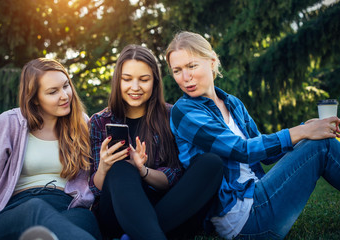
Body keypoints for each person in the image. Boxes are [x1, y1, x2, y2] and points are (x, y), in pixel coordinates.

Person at [165, 31, 340, 240]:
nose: (185, 78)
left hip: (260, 197)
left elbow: (265, 154)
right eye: (177, 70)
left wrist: (306, 129)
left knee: (318, 141)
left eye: (191, 66)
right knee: (322, 146)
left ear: (212, 61)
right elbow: (242, 150)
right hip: (244, 220)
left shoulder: (232, 103)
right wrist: (301, 131)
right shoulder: (184, 111)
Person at [89, 44, 224, 240]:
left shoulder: (172, 115)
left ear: (154, 82)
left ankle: (140, 234)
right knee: (122, 169)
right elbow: (95, 190)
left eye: (144, 80)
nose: (135, 87)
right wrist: (104, 166)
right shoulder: (99, 122)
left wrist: (143, 170)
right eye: (127, 79)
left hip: (166, 208)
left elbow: (176, 175)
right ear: (117, 81)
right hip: (119, 212)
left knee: (211, 163)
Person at [0, 58, 102, 240]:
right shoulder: (8, 123)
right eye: (53, 92)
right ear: (35, 99)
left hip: (67, 206)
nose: (64, 95)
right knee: (35, 208)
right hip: (16, 211)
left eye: (66, 86)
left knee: (85, 218)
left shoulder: (81, 123)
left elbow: (89, 181)